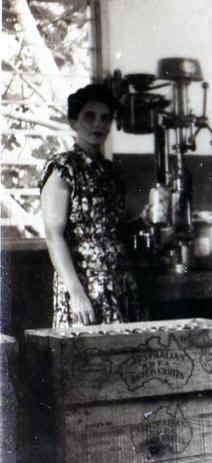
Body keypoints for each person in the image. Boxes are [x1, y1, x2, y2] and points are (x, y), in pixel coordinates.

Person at [40, 84, 140, 328]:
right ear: (73, 122)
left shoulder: (110, 171)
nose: (99, 124)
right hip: (84, 290)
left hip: (119, 285)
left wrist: (142, 220)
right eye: (89, 116)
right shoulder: (63, 168)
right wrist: (76, 293)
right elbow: (54, 235)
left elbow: (112, 229)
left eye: (105, 118)